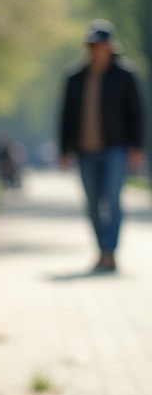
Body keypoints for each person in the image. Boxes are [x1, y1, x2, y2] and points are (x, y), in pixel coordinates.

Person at [59, 19, 145, 273]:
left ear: (110, 46)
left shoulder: (125, 75)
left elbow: (137, 113)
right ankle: (101, 249)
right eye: (92, 45)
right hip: (84, 150)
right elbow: (65, 115)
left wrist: (137, 148)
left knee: (113, 199)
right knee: (93, 202)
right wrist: (64, 149)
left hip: (116, 149)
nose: (96, 50)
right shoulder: (74, 78)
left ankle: (110, 251)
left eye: (100, 45)